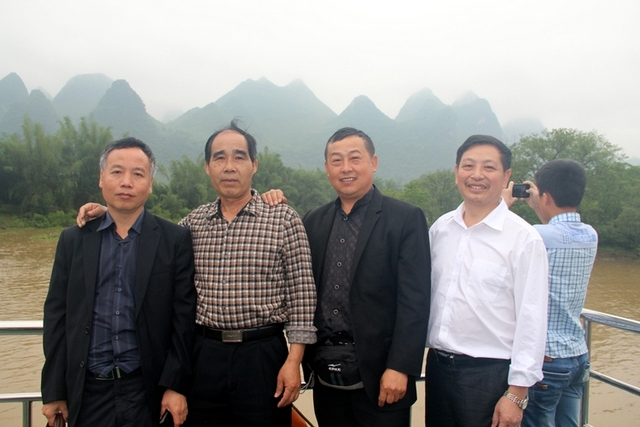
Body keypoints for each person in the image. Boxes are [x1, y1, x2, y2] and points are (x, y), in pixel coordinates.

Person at [77, 120, 317, 427]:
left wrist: (294, 361)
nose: (229, 166)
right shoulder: (193, 223)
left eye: (239, 157)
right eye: (219, 158)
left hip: (262, 355)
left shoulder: (283, 219)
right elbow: (150, 234)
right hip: (204, 355)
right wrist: (111, 213)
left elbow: (303, 297)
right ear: (207, 167)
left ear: (254, 165)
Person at [266, 127, 431, 426]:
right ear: (327, 167)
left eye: (355, 158)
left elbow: (415, 301)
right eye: (337, 160)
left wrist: (400, 367)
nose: (346, 168)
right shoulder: (313, 220)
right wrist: (269, 204)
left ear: (373, 163)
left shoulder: (404, 218)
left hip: (382, 376)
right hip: (326, 372)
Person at [42, 137, 197, 427]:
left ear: (150, 183)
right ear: (102, 178)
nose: (126, 182)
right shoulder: (73, 240)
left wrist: (175, 385)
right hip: (87, 391)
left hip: (147, 391)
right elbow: (56, 318)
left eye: (137, 174)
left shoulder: (174, 239)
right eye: (117, 172)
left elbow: (183, 319)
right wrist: (54, 391)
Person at [426, 134, 549, 427]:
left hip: (490, 376)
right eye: (468, 166)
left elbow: (532, 317)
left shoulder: (524, 238)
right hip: (438, 369)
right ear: (457, 171)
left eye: (489, 167)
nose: (477, 175)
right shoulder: (441, 229)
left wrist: (517, 393)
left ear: (506, 176)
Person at [503, 159, 597, 427]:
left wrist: (503, 207)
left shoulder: (536, 236)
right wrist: (540, 205)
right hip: (577, 355)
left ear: (545, 197)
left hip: (546, 358)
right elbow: (556, 231)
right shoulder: (590, 235)